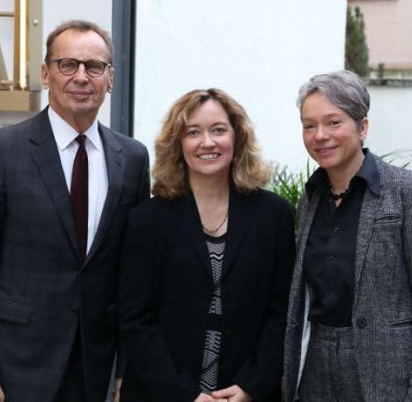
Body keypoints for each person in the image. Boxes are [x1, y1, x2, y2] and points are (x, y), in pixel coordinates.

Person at [0, 20, 150, 402]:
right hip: (16, 367)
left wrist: (129, 369)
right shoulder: (0, 151)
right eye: (68, 65)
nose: (81, 77)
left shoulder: (132, 157)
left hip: (95, 367)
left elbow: (134, 275)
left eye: (94, 67)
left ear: (109, 79)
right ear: (46, 74)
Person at [282, 70, 412, 402]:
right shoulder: (310, 200)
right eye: (309, 125)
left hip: (386, 374)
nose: (320, 135)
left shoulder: (408, 192)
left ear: (362, 127)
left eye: (334, 122)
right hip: (315, 366)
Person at [119, 88, 295, 402]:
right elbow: (135, 320)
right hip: (163, 393)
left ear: (237, 138)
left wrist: (251, 386)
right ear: (178, 144)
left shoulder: (274, 215)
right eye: (193, 132)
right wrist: (187, 395)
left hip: (244, 394)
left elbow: (281, 314)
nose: (208, 142)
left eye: (218, 130)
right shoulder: (148, 219)